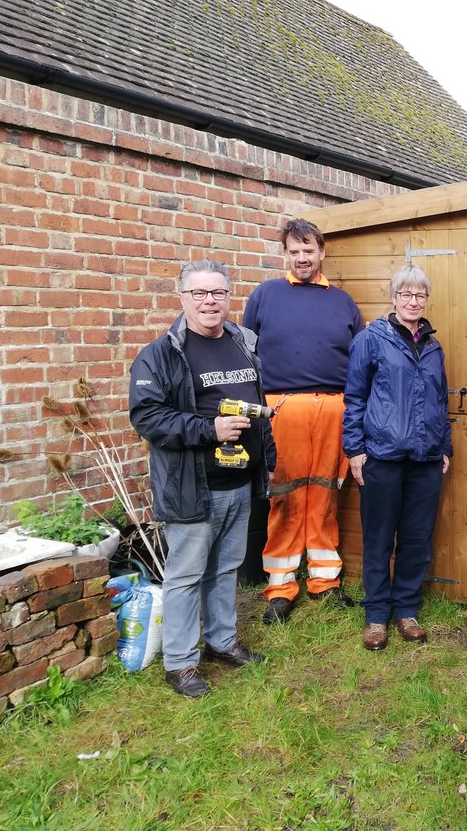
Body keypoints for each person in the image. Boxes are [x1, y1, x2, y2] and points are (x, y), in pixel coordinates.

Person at [129, 259, 274, 698]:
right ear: (182, 297)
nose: (209, 301)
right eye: (199, 293)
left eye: (218, 293)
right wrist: (209, 430)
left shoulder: (242, 342)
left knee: (226, 568)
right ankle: (180, 663)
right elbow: (148, 418)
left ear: (229, 297)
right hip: (194, 485)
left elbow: (255, 402)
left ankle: (221, 641)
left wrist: (265, 457)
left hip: (240, 481)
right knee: (186, 575)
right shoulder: (161, 354)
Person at [243, 218, 363, 624]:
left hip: (333, 407)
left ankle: (325, 581)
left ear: (321, 252)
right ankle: (280, 587)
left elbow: (359, 362)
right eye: (294, 251)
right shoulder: (265, 295)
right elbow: (246, 357)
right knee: (286, 495)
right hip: (283, 408)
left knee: (327, 494)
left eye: (308, 250)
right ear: (285, 254)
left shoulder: (343, 302)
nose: (302, 258)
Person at [344, 264, 452, 651]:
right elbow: (355, 397)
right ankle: (376, 615)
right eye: (405, 294)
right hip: (382, 456)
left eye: (419, 295)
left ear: (426, 300)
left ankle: (406, 609)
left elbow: (440, 399)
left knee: (416, 538)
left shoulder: (435, 346)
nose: (412, 301)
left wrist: (444, 446)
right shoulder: (371, 340)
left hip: (425, 460)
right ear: (393, 299)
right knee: (378, 539)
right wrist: (354, 448)